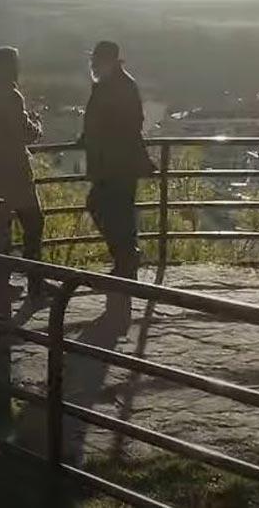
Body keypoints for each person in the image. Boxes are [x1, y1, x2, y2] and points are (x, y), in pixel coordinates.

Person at [80, 40, 157, 325]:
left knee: (107, 208)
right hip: (115, 163)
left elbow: (126, 123)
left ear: (108, 60)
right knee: (116, 211)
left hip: (116, 164)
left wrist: (97, 140)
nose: (93, 64)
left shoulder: (117, 85)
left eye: (96, 60)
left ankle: (125, 262)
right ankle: (125, 263)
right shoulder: (117, 83)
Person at [0, 46, 46, 299]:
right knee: (34, 223)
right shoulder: (10, 95)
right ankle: (35, 281)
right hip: (13, 172)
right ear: (5, 66)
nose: (19, 67)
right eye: (15, 62)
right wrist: (37, 126)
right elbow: (23, 132)